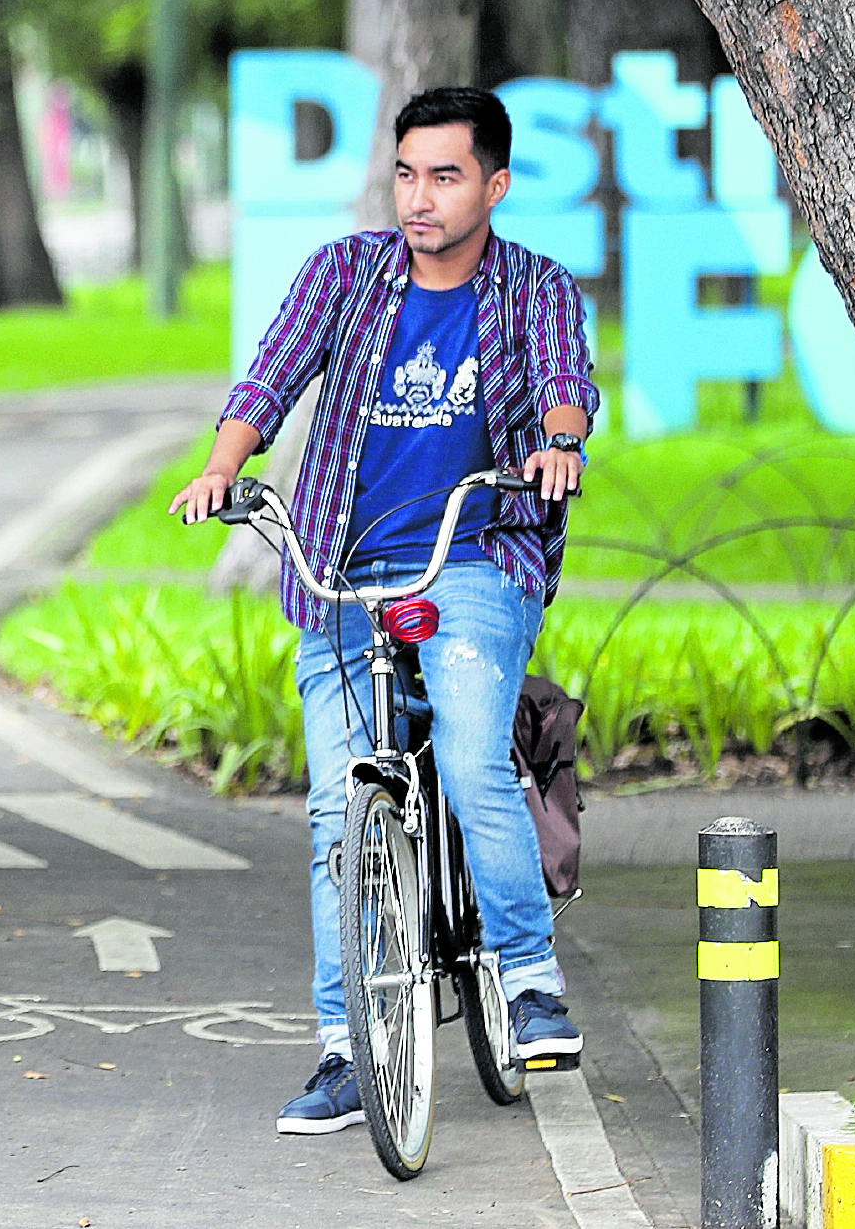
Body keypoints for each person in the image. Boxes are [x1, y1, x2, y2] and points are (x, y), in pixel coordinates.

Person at [170, 87, 593, 1134]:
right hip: (341, 569)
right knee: (331, 809)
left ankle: (528, 974)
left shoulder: (531, 284)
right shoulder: (345, 275)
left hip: (472, 558)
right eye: (406, 173)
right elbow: (267, 378)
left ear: (491, 185)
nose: (419, 197)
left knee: (465, 750)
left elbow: (561, 379)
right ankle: (344, 1050)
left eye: (445, 176)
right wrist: (221, 468)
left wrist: (556, 445)